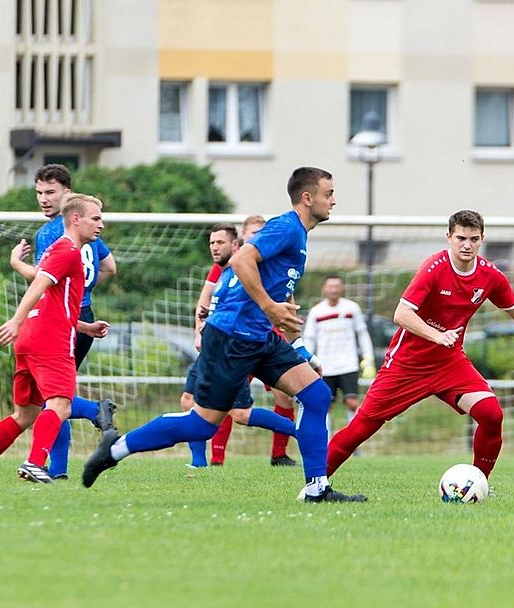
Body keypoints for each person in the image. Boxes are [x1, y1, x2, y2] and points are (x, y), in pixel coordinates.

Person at [83, 167, 367, 502]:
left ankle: (316, 489)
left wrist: (280, 314)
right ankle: (114, 448)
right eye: (328, 193)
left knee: (317, 394)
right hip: (232, 336)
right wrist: (269, 306)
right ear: (308, 198)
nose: (333, 200)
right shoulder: (286, 227)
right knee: (202, 425)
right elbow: (242, 258)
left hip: (259, 336)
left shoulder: (298, 233)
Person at [326, 210, 514, 481]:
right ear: (449, 238)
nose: (467, 245)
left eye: (473, 239)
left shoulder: (490, 275)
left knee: (491, 414)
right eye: (461, 238)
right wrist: (437, 335)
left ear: (481, 240)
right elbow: (402, 314)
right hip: (407, 365)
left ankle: (477, 483)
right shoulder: (434, 268)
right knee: (362, 427)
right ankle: (315, 484)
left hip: (449, 364)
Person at [0, 194, 110, 483]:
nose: (100, 224)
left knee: (24, 414)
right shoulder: (67, 251)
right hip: (50, 342)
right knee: (60, 405)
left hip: (31, 338)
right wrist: (15, 319)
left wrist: (84, 327)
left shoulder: (57, 249)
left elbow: (53, 302)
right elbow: (39, 285)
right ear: (75, 219)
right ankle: (34, 462)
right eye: (96, 218)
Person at [8, 163, 117, 480]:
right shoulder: (88, 229)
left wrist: (17, 263)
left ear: (67, 194)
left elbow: (42, 279)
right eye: (39, 193)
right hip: (82, 317)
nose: (43, 199)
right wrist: (83, 288)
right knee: (55, 398)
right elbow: (109, 267)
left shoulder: (54, 231)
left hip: (63, 321)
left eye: (50, 193)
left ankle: (94, 412)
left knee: (54, 399)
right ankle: (57, 470)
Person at [180, 219, 298, 468]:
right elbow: (206, 301)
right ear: (243, 238)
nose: (214, 246)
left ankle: (288, 444)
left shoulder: (269, 264)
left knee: (254, 408)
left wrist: (294, 341)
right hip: (225, 341)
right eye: (212, 242)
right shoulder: (226, 265)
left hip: (254, 343)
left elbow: (285, 302)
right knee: (190, 401)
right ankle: (207, 461)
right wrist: (199, 331)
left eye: (219, 242)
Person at [302, 273, 376, 433]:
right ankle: (327, 445)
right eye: (330, 287)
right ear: (324, 289)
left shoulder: (351, 308)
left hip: (348, 364)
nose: (333, 290)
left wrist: (368, 359)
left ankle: (353, 442)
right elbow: (309, 339)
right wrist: (308, 362)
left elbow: (362, 334)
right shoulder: (317, 312)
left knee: (352, 403)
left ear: (341, 288)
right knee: (325, 406)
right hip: (325, 366)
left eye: (336, 286)